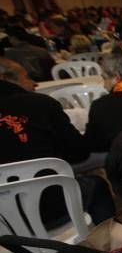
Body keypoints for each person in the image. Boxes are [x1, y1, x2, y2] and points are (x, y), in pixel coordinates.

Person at [0, 58, 114, 225]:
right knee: (97, 185)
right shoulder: (40, 104)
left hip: (5, 221)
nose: (34, 83)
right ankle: (109, 242)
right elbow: (78, 153)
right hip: (52, 206)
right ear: (6, 79)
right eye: (26, 77)